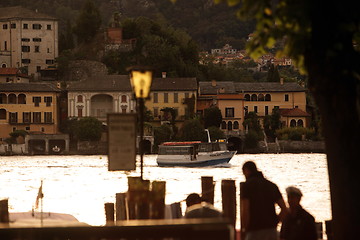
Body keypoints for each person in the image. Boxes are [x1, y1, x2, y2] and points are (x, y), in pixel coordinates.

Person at [241, 161, 288, 240]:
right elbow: (284, 209)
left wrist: (244, 229)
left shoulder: (247, 186)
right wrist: (275, 221)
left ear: (246, 170)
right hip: (271, 231)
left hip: (254, 231)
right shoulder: (271, 185)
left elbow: (245, 210)